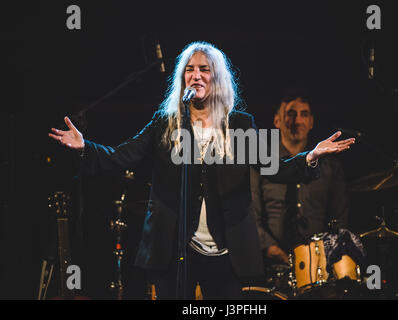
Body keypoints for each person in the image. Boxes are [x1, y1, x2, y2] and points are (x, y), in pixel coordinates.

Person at [48, 42, 355, 300]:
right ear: (182, 79)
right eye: (190, 70)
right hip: (174, 248)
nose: (196, 75)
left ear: (217, 78)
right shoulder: (166, 123)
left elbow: (275, 168)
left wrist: (312, 155)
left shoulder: (239, 125)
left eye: (204, 69)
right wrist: (86, 146)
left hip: (227, 251)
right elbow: (121, 156)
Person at [251, 85, 364, 290]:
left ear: (311, 122)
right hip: (270, 266)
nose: (297, 120)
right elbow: (252, 215)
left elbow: (340, 218)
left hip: (319, 268)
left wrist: (324, 253)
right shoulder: (261, 162)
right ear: (277, 120)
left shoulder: (329, 166)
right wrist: (272, 249)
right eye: (291, 114)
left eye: (304, 114)